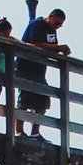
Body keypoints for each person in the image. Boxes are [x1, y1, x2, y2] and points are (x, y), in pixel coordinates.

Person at [17, 9, 70, 137]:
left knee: (42, 101)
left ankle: (35, 132)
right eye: (56, 23)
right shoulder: (37, 25)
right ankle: (19, 131)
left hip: (40, 70)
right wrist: (58, 48)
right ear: (51, 16)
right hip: (26, 67)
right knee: (25, 100)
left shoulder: (52, 30)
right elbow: (37, 43)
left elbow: (52, 46)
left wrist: (61, 50)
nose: (57, 27)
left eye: (60, 25)